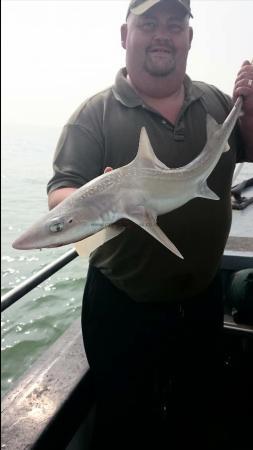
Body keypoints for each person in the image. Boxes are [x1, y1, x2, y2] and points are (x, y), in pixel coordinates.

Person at [47, 1, 253, 448]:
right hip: (122, 307)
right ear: (126, 35)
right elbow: (61, 193)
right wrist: (101, 198)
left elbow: (249, 152)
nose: (164, 33)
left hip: (201, 301)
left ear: (189, 39)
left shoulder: (218, 102)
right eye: (150, 23)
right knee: (124, 426)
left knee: (197, 420)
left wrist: (250, 113)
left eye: (175, 25)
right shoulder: (94, 114)